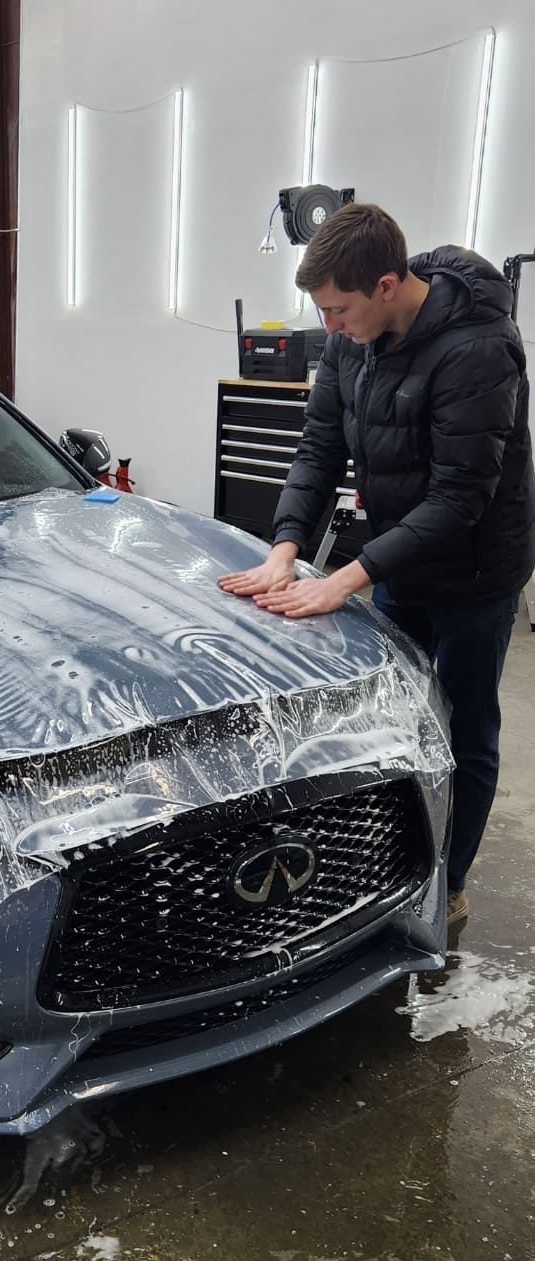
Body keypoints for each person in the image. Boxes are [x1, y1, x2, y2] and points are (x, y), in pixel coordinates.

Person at [218, 203, 535, 932]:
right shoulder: (349, 343)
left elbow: (459, 497)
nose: (327, 326)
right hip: (396, 558)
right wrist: (285, 549)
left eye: (338, 309)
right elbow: (318, 448)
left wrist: (345, 578)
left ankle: (445, 883)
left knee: (461, 730)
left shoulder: (478, 348)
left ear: (387, 284)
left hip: (474, 575)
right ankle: (383, 864)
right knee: (393, 723)